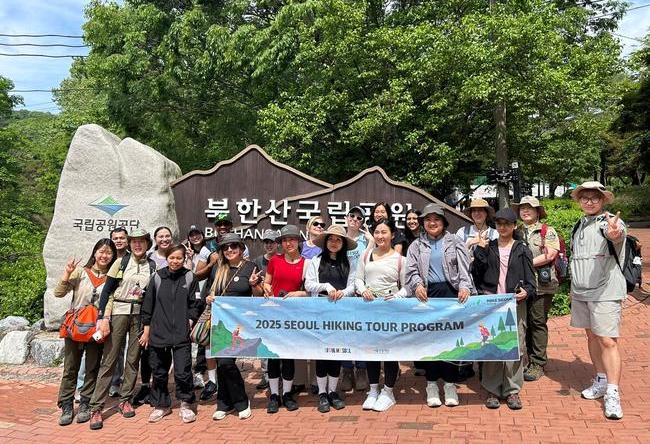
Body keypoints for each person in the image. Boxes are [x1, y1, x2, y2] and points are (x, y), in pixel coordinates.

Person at [405, 203, 476, 408]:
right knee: (430, 342)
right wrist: (417, 285)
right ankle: (431, 385)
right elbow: (411, 271)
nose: (432, 223)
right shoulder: (416, 245)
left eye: (436, 219)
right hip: (427, 296)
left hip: (451, 294)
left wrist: (465, 286)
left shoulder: (454, 241)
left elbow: (464, 269)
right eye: (428, 219)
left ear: (443, 222)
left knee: (451, 342)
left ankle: (450, 384)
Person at [569, 181, 627, 420]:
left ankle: (613, 392)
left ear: (603, 200)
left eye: (595, 197)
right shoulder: (579, 224)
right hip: (581, 291)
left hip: (605, 291)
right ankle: (601, 380)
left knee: (607, 340)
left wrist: (615, 234)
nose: (589, 201)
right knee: (592, 336)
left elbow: (616, 234)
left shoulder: (610, 222)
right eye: (585, 198)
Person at [89, 229, 157, 430]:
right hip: (118, 311)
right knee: (109, 359)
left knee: (133, 359)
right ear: (129, 244)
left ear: (147, 244)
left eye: (141, 241)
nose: (138, 245)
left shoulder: (151, 265)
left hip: (139, 314)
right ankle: (96, 407)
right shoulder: (120, 262)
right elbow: (107, 291)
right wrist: (103, 317)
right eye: (134, 241)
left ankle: (125, 399)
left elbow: (150, 296)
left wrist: (148, 324)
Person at [472, 208, 536, 411]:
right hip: (492, 304)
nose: (503, 227)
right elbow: (476, 275)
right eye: (499, 223)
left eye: (507, 223)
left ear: (514, 226)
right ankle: (492, 388)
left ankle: (512, 390)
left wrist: (526, 292)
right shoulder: (488, 246)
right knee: (492, 346)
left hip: (514, 304)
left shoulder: (522, 249)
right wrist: (479, 251)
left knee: (515, 346)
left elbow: (531, 282)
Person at [54, 239, 117, 425]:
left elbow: (111, 301)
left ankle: (85, 403)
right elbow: (58, 293)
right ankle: (66, 405)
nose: (104, 256)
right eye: (101, 251)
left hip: (96, 328)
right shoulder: (81, 272)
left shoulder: (113, 278)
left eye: (108, 253)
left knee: (92, 366)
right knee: (70, 367)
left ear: (113, 256)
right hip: (76, 325)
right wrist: (67, 273)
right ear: (95, 253)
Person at [202, 233, 263, 420]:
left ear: (241, 248)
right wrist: (209, 298)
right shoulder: (217, 268)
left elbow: (259, 296)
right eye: (225, 247)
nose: (230, 250)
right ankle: (224, 403)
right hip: (219, 322)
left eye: (234, 246)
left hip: (239, 323)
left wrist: (254, 285)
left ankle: (241, 402)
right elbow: (208, 292)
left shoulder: (250, 267)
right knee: (222, 363)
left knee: (226, 362)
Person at [140, 245, 203, 423]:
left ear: (184, 259)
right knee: (159, 372)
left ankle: (186, 403)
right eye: (172, 258)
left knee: (183, 372)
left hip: (181, 333)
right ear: (167, 258)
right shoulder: (157, 277)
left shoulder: (189, 277)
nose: (175, 261)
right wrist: (146, 330)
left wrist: (190, 320)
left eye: (179, 258)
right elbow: (148, 304)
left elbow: (196, 303)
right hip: (159, 332)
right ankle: (162, 405)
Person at [355, 219, 407, 412]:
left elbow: (407, 287)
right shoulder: (366, 254)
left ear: (392, 235)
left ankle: (388, 392)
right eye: (377, 232)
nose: (380, 236)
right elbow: (358, 279)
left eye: (384, 232)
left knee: (390, 352)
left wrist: (397, 296)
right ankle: (373, 390)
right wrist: (363, 290)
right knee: (372, 351)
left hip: (391, 311)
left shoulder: (400, 260)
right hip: (369, 310)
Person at [305, 225, 357, 413]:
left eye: (338, 240)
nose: (334, 243)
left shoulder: (350, 262)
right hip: (320, 312)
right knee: (321, 354)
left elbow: (353, 285)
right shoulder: (315, 261)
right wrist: (325, 286)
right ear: (325, 242)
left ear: (343, 243)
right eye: (331, 239)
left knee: (336, 353)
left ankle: (333, 392)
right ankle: (322, 393)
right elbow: (309, 284)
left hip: (341, 313)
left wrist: (344, 292)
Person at [512, 196, 560, 382]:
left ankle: (538, 362)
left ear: (538, 211)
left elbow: (551, 254)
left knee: (537, 322)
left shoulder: (547, 231)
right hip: (521, 286)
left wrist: (525, 264)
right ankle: (528, 359)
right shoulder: (516, 231)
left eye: (529, 208)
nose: (525, 211)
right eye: (522, 208)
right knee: (523, 322)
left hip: (541, 285)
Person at [263, 225, 308, 413]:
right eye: (284, 240)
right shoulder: (275, 260)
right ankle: (274, 395)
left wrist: (298, 293)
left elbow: (310, 291)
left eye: (292, 239)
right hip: (273, 314)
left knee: (288, 356)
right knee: (273, 356)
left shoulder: (306, 263)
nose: (288, 243)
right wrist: (266, 288)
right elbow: (267, 282)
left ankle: (287, 394)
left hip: (292, 316)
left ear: (298, 241)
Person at [132, 226, 175, 406]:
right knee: (147, 349)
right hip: (150, 309)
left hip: (170, 311)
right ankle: (145, 385)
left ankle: (159, 385)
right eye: (160, 236)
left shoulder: (177, 255)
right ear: (155, 239)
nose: (164, 239)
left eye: (167, 236)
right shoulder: (149, 257)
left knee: (166, 349)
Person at [339, 206, 372, 392]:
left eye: (359, 218)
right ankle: (346, 370)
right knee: (344, 331)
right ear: (346, 217)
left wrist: (371, 243)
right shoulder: (338, 237)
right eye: (352, 215)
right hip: (341, 290)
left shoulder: (365, 240)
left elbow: (369, 262)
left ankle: (361, 370)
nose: (354, 219)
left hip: (360, 290)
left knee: (360, 332)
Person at [252, 228, 280, 390]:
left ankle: (279, 373)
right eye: (266, 242)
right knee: (263, 340)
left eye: (272, 242)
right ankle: (266, 374)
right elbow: (253, 283)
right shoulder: (257, 261)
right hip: (262, 306)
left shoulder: (281, 259)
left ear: (277, 244)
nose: (269, 245)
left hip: (279, 306)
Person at [183, 225, 208, 390]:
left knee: (201, 336)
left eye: (197, 234)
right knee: (186, 335)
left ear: (202, 235)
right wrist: (188, 257)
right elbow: (185, 274)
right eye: (191, 235)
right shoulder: (184, 252)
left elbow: (197, 274)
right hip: (186, 299)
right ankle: (186, 372)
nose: (195, 237)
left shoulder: (207, 251)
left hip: (202, 298)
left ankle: (199, 371)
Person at [195, 213, 250, 280]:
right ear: (215, 227)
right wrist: (211, 264)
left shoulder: (241, 247)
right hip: (214, 285)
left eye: (226, 224)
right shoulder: (207, 248)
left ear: (231, 226)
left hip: (235, 284)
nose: (222, 227)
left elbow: (247, 270)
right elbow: (197, 277)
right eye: (219, 224)